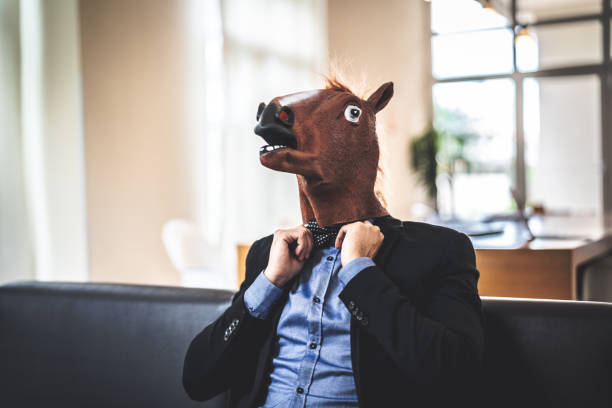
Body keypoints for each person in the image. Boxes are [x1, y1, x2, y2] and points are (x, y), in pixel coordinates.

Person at [183, 80, 484, 407]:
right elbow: (198, 379)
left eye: (348, 114)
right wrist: (269, 283)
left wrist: (360, 273)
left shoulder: (439, 250)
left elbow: (458, 375)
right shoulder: (267, 256)